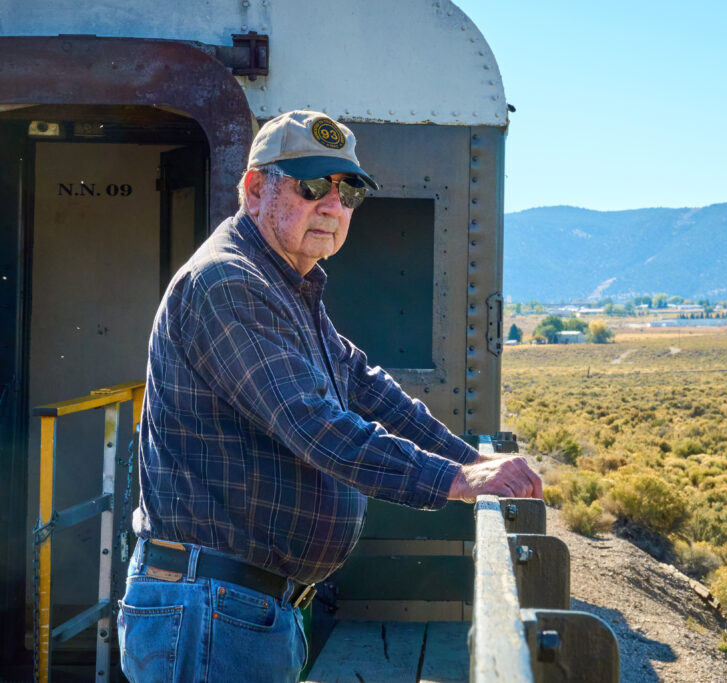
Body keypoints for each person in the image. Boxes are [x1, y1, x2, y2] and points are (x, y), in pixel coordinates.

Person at [117, 110, 541, 682]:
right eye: (312, 185)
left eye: (348, 193)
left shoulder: (285, 284)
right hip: (210, 611)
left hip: (245, 608)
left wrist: (470, 457)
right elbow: (316, 425)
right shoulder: (228, 283)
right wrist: (457, 482)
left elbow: (366, 386)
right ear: (255, 189)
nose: (332, 205)